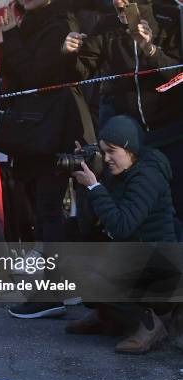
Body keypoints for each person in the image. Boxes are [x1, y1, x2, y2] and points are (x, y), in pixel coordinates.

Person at [0, 0, 94, 319]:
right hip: (37, 129)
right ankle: (63, 286)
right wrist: (5, 40)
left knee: (48, 209)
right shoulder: (31, 22)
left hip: (54, 130)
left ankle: (49, 294)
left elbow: (37, 74)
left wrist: (9, 39)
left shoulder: (59, 22)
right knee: (44, 209)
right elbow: (15, 79)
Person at [62, 0, 183, 221]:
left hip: (171, 134)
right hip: (131, 143)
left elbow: (179, 78)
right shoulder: (106, 23)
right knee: (135, 213)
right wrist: (70, 53)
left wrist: (151, 49)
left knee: (175, 206)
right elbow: (80, 74)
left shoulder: (170, 16)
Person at [69, 115, 177, 354]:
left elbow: (122, 226)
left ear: (130, 149)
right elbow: (88, 228)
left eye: (112, 152)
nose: (106, 158)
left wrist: (95, 188)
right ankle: (108, 315)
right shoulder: (117, 172)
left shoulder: (147, 176)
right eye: (102, 152)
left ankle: (153, 322)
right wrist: (85, 183)